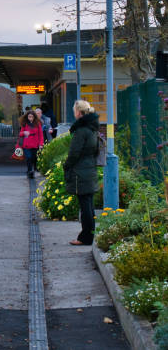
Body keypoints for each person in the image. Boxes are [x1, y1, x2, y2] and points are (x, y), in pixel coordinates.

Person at [64, 100, 100, 246]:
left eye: (74, 111)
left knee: (85, 207)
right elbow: (96, 151)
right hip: (90, 169)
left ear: (78, 112)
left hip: (80, 172)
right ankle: (90, 235)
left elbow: (74, 153)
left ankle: (85, 237)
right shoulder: (93, 129)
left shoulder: (81, 131)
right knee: (89, 206)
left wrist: (67, 165)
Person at [18, 110, 44, 178]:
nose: (31, 118)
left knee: (34, 158)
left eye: (32, 117)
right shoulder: (25, 124)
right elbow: (20, 134)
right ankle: (30, 171)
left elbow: (41, 135)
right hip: (26, 145)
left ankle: (33, 169)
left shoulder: (37, 124)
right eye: (29, 117)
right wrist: (24, 133)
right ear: (27, 117)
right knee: (29, 157)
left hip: (35, 145)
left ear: (34, 117)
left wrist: (41, 144)